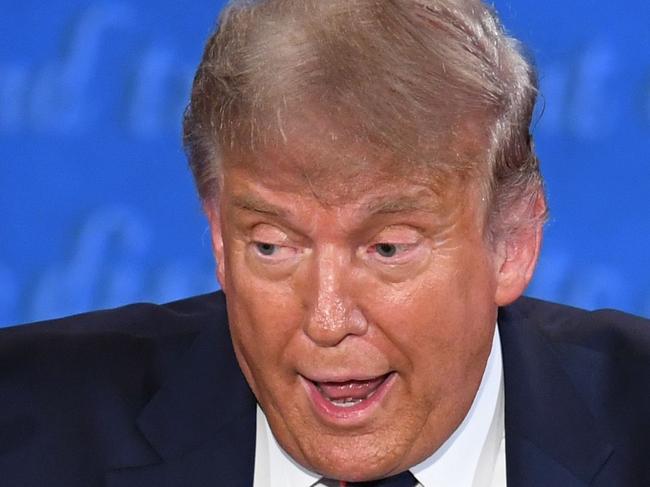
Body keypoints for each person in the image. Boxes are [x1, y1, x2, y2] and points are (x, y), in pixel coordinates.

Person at [1, 0, 648, 486]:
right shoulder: (25, 425)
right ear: (219, 238)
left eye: (387, 248)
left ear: (511, 242)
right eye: (273, 246)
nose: (327, 318)